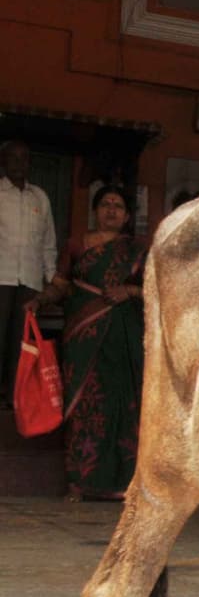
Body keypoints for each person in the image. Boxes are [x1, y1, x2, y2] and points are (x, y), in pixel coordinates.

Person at [25, 185, 145, 500]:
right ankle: (79, 482)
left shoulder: (137, 251)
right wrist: (39, 300)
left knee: (122, 406)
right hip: (82, 339)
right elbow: (60, 285)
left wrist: (129, 292)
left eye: (118, 206)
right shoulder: (76, 245)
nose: (111, 210)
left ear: (127, 216)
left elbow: (157, 290)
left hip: (123, 341)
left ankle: (121, 484)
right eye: (105, 204)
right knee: (83, 405)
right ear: (95, 210)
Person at [0, 138, 56, 408]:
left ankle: (15, 398)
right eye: (13, 157)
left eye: (24, 158)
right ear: (3, 162)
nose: (19, 163)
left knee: (22, 344)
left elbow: (48, 243)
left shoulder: (40, 197)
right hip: (1, 278)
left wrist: (53, 280)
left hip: (30, 282)